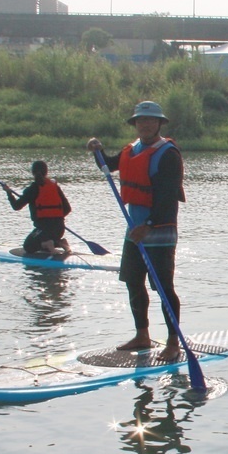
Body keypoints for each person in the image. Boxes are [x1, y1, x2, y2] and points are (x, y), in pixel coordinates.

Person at [86, 100, 186, 362]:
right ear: (135, 124)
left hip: (160, 231)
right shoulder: (131, 149)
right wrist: (97, 150)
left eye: (150, 120)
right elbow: (107, 164)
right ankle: (142, 334)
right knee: (133, 282)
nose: (145, 124)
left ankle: (173, 342)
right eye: (140, 120)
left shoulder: (168, 155)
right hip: (134, 230)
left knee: (164, 287)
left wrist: (149, 226)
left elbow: (167, 199)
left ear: (159, 124)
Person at [5, 160, 71, 255]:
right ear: (46, 172)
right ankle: (59, 242)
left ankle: (48, 244)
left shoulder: (32, 189)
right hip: (59, 229)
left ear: (33, 172)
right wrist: (55, 217)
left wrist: (9, 193)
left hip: (44, 230)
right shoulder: (55, 187)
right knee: (44, 239)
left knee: (28, 246)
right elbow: (68, 209)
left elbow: (16, 206)